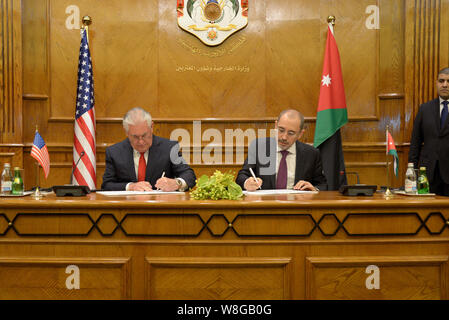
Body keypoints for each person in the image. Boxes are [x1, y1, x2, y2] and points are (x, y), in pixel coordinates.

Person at [101, 107, 196, 191]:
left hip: (161, 207)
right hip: (127, 208)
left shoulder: (169, 148)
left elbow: (189, 175)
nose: (141, 142)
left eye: (144, 135)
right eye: (135, 137)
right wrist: (131, 187)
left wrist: (177, 183)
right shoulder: (114, 152)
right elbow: (107, 185)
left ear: (152, 127)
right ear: (126, 132)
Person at [236, 109, 327, 191]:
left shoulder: (311, 153)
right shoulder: (259, 147)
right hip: (265, 206)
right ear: (276, 126)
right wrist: (247, 182)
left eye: (291, 133)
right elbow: (242, 176)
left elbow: (322, 185)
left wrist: (313, 188)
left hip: (298, 206)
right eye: (281, 130)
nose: (284, 137)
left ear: (300, 134)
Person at [409, 67, 449, 196]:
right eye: (441, 81)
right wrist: (412, 173)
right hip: (427, 175)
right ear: (436, 83)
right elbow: (415, 143)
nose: (445, 85)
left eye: (448, 81)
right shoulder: (424, 109)